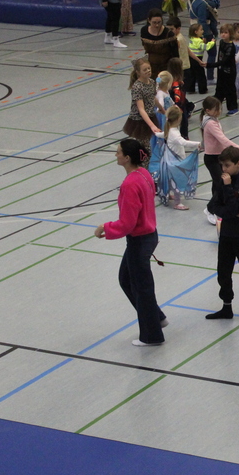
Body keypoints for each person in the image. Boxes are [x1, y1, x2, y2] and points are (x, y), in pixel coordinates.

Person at [94, 138, 167, 347]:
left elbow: (127, 223)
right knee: (126, 279)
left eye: (118, 152)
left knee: (141, 288)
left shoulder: (130, 184)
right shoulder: (143, 174)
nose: (116, 155)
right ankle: (157, 317)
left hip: (140, 240)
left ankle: (152, 335)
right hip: (149, 235)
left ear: (127, 158)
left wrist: (105, 228)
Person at [206, 146, 239, 325]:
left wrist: (229, 191)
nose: (224, 170)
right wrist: (231, 211)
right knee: (223, 272)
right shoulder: (222, 181)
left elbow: (236, 207)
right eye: (222, 166)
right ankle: (226, 306)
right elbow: (213, 206)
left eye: (227, 165)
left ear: (238, 163)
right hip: (227, 233)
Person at [200, 96, 239, 226]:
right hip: (212, 158)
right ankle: (210, 209)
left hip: (218, 156)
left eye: (220, 108)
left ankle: (214, 208)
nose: (219, 111)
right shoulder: (210, 123)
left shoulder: (214, 120)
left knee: (217, 183)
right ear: (207, 110)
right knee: (220, 183)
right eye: (216, 109)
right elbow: (223, 139)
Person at [152, 106, 201, 210]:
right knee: (178, 181)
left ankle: (168, 193)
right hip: (175, 161)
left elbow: (161, 135)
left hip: (168, 160)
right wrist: (198, 144)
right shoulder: (174, 132)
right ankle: (177, 203)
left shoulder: (169, 129)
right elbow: (183, 142)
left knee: (169, 179)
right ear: (179, 119)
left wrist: (155, 132)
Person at [124, 58, 161, 146]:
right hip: (139, 120)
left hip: (150, 116)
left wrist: (162, 109)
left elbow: (153, 98)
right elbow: (141, 109)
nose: (148, 71)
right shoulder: (137, 87)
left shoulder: (152, 82)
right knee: (143, 146)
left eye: (149, 68)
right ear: (138, 72)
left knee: (148, 144)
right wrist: (152, 126)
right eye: (145, 70)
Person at [188, 0, 220, 83]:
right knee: (212, 53)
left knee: (197, 56)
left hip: (194, 31)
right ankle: (210, 77)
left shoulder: (191, 1)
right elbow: (202, 20)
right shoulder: (201, 3)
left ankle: (196, 78)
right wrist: (208, 33)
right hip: (203, 32)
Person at [206, 22, 238, 115]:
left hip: (229, 72)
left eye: (226, 32)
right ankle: (215, 107)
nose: (223, 34)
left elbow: (225, 61)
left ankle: (233, 108)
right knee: (219, 89)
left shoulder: (231, 47)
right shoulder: (221, 42)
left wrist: (210, 65)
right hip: (221, 70)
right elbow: (219, 57)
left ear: (230, 34)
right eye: (222, 32)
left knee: (230, 90)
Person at [140, 9, 177, 75]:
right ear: (149, 20)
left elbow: (175, 54)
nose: (157, 25)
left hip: (166, 68)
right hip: (150, 67)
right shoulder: (144, 31)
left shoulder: (168, 34)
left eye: (159, 22)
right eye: (154, 22)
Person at [186, 22, 213, 94]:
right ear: (196, 32)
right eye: (201, 30)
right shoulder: (199, 41)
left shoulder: (192, 39)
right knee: (200, 74)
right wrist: (212, 42)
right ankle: (202, 89)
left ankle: (190, 89)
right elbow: (206, 47)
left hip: (191, 58)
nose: (203, 31)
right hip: (197, 59)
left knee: (192, 74)